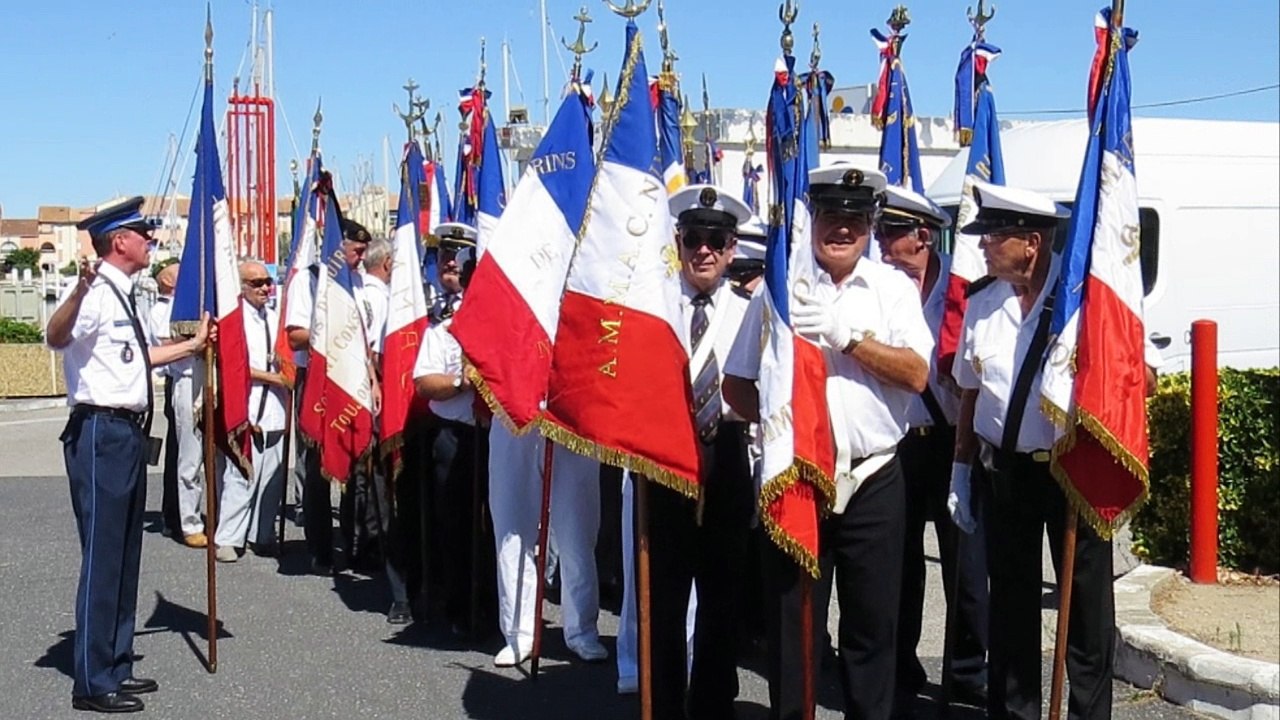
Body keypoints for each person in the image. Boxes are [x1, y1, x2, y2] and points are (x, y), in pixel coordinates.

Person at [724, 164, 934, 720]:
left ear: (870, 224)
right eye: (831, 217)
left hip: (873, 479)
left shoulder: (892, 289)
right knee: (794, 631)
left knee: (872, 632)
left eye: (855, 220)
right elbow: (737, 383)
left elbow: (916, 373)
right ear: (811, 218)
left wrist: (850, 339)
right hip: (797, 475)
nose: (842, 229)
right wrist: (777, 425)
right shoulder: (779, 289)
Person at [947, 180, 1117, 720]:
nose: (982, 246)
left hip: (1074, 473)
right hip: (1009, 475)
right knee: (1013, 609)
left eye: (993, 236)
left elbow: (1130, 379)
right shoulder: (982, 302)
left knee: (1087, 616)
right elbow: (969, 392)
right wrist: (960, 469)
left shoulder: (1082, 301)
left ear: (1031, 243)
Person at [46, 196, 209, 713]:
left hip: (129, 432)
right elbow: (55, 336)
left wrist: (192, 346)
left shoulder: (125, 293)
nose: (150, 241)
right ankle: (92, 681)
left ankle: (116, 662)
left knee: (125, 557)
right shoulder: (94, 292)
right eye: (143, 234)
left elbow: (137, 358)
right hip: (101, 431)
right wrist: (80, 288)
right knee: (103, 557)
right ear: (120, 242)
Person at [874, 185, 989, 715]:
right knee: (898, 565)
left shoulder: (965, 288)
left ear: (923, 236)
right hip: (899, 440)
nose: (880, 242)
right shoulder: (877, 287)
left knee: (965, 566)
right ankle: (900, 667)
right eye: (878, 231)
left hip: (952, 442)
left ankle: (966, 671)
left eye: (890, 232)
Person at [645, 184, 757, 718]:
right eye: (694, 239)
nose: (704, 250)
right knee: (664, 600)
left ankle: (713, 705)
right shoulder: (654, 309)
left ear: (733, 248)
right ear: (679, 243)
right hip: (665, 458)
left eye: (716, 239)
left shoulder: (752, 311)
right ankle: (664, 704)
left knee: (722, 598)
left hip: (728, 456)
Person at [412, 223, 495, 633]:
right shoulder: (440, 323)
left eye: (460, 256)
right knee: (456, 525)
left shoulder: (498, 318)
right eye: (444, 253)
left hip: (496, 435)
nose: (450, 261)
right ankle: (459, 609)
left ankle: (498, 610)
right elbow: (425, 382)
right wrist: (464, 382)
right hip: (454, 435)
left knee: (499, 525)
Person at [288, 217, 371, 574]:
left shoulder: (359, 280)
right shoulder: (307, 281)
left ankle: (355, 544)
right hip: (319, 377)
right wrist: (328, 331)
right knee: (318, 464)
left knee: (355, 457)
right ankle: (320, 548)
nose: (361, 258)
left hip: (354, 375)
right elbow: (294, 336)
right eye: (356, 250)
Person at [212, 261, 288, 562]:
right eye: (256, 283)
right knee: (241, 474)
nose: (265, 289)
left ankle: (263, 532)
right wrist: (275, 378)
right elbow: (237, 368)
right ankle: (228, 538)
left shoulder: (274, 318)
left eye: (267, 282)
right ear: (242, 287)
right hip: (247, 405)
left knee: (273, 474)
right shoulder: (235, 322)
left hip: (276, 407)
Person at [148, 261, 182, 538]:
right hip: (176, 381)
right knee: (179, 452)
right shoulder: (163, 310)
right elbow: (164, 344)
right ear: (169, 282)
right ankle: (174, 514)